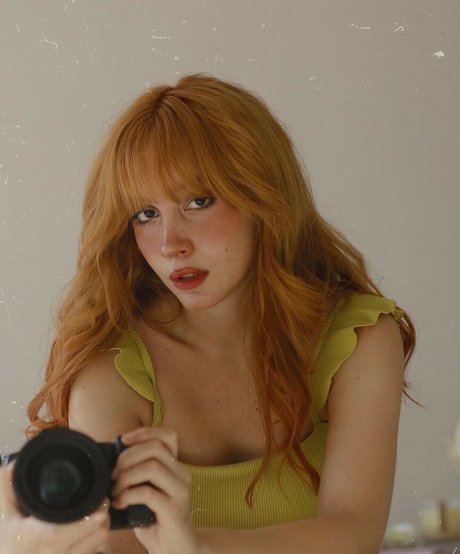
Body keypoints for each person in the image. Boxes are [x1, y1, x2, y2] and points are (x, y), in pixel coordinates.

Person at [0, 73, 415, 553]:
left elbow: (353, 534)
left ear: (266, 199)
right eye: (146, 214)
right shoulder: (109, 366)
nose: (170, 244)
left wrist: (191, 547)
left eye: (198, 202)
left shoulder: (358, 338)